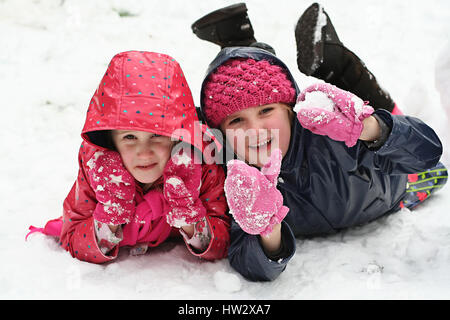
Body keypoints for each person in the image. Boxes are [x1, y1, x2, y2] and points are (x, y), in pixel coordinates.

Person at [192, 3, 448, 281]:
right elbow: (248, 258)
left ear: (289, 111)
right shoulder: (238, 177)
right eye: (235, 122)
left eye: (267, 111)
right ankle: (240, 42)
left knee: (380, 115)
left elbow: (427, 152)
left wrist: (369, 128)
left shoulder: (333, 132)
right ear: (223, 132)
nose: (254, 130)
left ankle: (339, 66)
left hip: (393, 182)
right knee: (250, 85)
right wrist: (266, 230)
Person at [26, 51, 230, 263]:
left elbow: (224, 240)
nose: (144, 151)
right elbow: (72, 236)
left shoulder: (200, 165)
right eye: (130, 137)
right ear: (111, 140)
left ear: (177, 137)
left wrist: (188, 215)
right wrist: (110, 213)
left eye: (157, 136)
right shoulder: (98, 169)